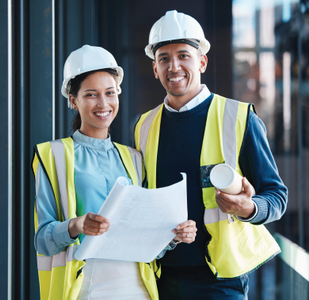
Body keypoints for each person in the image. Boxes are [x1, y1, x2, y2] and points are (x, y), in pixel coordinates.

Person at [134, 10, 288, 300]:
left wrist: (248, 208)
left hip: (220, 283)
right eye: (164, 58)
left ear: (202, 61)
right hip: (159, 279)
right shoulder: (144, 126)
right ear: (155, 68)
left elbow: (277, 197)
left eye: (183, 55)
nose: (174, 66)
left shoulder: (240, 118)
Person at [32, 44, 197, 300]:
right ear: (73, 101)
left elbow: (146, 236)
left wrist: (173, 236)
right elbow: (43, 240)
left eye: (110, 93)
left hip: (137, 284)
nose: (103, 103)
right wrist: (77, 225)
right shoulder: (53, 155)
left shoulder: (133, 157)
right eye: (91, 95)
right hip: (87, 285)